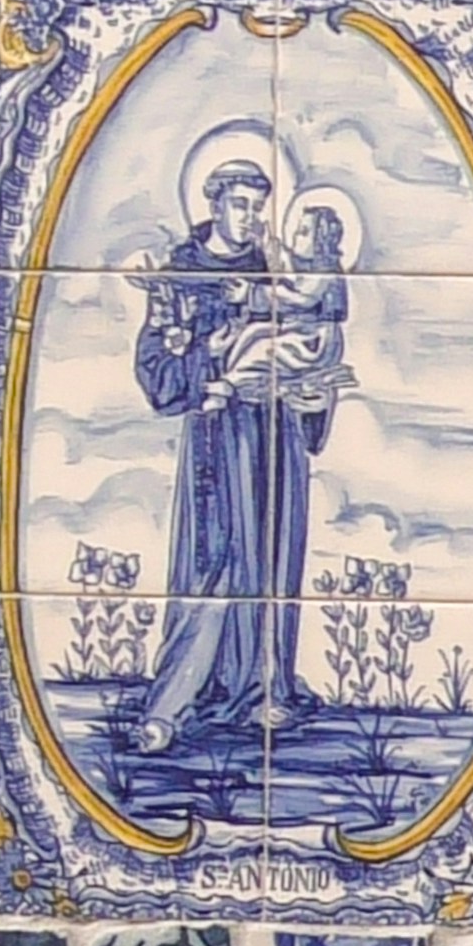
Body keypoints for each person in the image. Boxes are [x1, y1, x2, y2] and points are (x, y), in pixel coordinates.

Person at [114, 140, 339, 763]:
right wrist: (212, 363)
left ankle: (265, 687)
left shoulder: (280, 270)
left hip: (278, 437)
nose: (250, 219)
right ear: (212, 204)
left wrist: (314, 393)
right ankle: (173, 704)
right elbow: (156, 368)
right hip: (220, 438)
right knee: (216, 565)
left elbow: (317, 341)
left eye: (258, 208)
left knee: (273, 559)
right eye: (239, 205)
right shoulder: (179, 271)